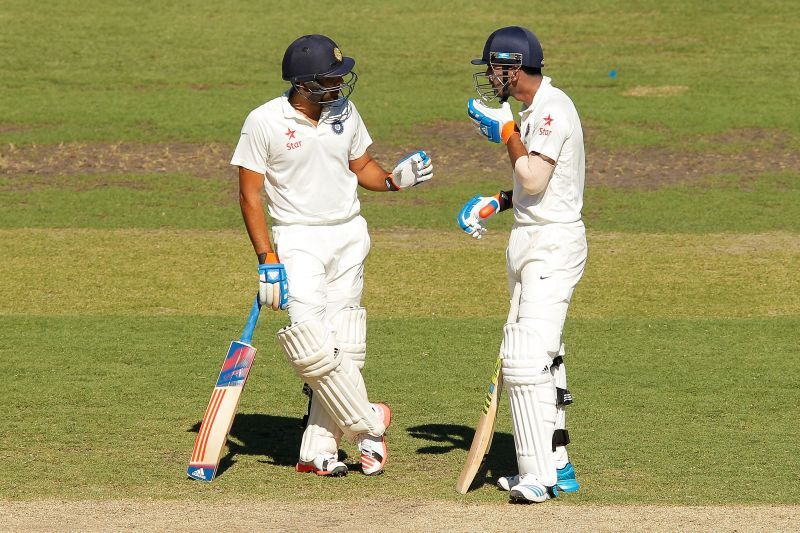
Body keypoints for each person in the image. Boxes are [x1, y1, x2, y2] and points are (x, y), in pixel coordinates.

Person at [232, 34, 433, 477]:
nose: (340, 84)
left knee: (346, 345)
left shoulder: (344, 111)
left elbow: (363, 168)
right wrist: (266, 257)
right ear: (303, 84)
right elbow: (249, 195)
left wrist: (395, 181)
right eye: (330, 78)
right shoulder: (263, 121)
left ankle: (316, 451)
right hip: (298, 239)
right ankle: (368, 423)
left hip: (349, 236)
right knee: (309, 343)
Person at [456, 26, 586, 503]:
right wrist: (500, 200)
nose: (489, 76)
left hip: (552, 244)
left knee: (527, 357)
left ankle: (540, 478)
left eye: (494, 67)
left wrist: (507, 133)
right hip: (531, 237)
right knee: (545, 354)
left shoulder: (552, 110)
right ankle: (558, 466)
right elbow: (539, 184)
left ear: (513, 67)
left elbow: (533, 176)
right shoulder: (536, 109)